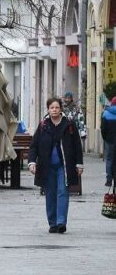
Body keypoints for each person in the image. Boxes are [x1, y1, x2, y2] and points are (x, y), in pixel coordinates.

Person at [28, 96, 83, 234]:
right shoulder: (43, 125)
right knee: (50, 194)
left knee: (63, 192)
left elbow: (77, 145)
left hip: (64, 165)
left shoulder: (69, 124)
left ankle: (61, 222)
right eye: (52, 107)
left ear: (60, 109)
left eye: (57, 107)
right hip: (47, 166)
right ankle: (52, 223)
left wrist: (79, 164)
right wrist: (32, 162)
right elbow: (34, 146)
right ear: (48, 109)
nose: (54, 110)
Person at [101, 97, 116, 187]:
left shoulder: (106, 113)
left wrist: (105, 138)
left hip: (109, 140)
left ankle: (109, 180)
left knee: (109, 159)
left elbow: (103, 129)